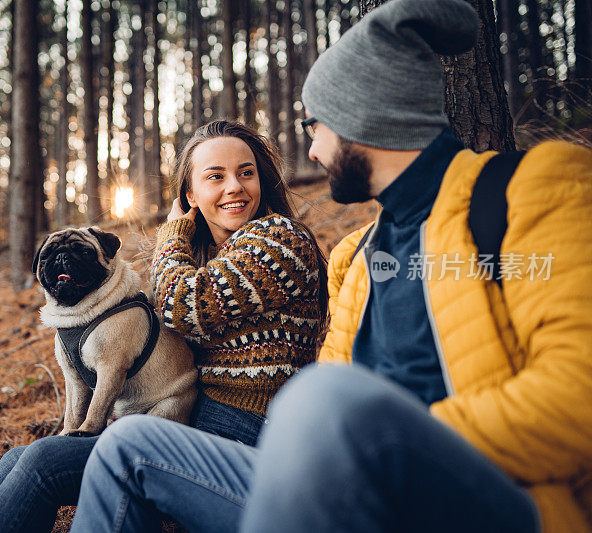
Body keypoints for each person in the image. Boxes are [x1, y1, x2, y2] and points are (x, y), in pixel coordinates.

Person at [72, 0, 592, 532]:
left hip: (490, 497)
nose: (313, 151)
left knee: (322, 398)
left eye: (315, 126)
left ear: (363, 118)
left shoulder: (529, 190)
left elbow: (577, 398)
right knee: (128, 445)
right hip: (352, 490)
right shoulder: (357, 258)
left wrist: (379, 443)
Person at [0, 120, 327, 533]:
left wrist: (171, 235)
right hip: (196, 422)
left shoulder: (278, 239)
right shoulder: (208, 255)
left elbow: (184, 305)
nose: (235, 186)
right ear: (190, 195)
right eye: (216, 176)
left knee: (43, 464)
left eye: (246, 172)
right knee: (18, 458)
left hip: (248, 437)